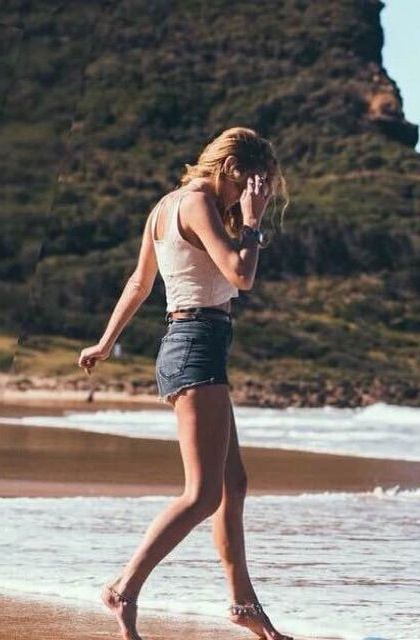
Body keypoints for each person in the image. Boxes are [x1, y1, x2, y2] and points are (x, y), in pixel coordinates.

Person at [78, 126, 291, 640]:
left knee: (233, 484)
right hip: (196, 344)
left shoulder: (165, 205)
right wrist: (252, 223)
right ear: (231, 168)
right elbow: (241, 275)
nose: (249, 196)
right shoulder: (196, 204)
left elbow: (139, 282)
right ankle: (123, 588)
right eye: (250, 184)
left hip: (195, 343)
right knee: (202, 495)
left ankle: (243, 605)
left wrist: (106, 342)